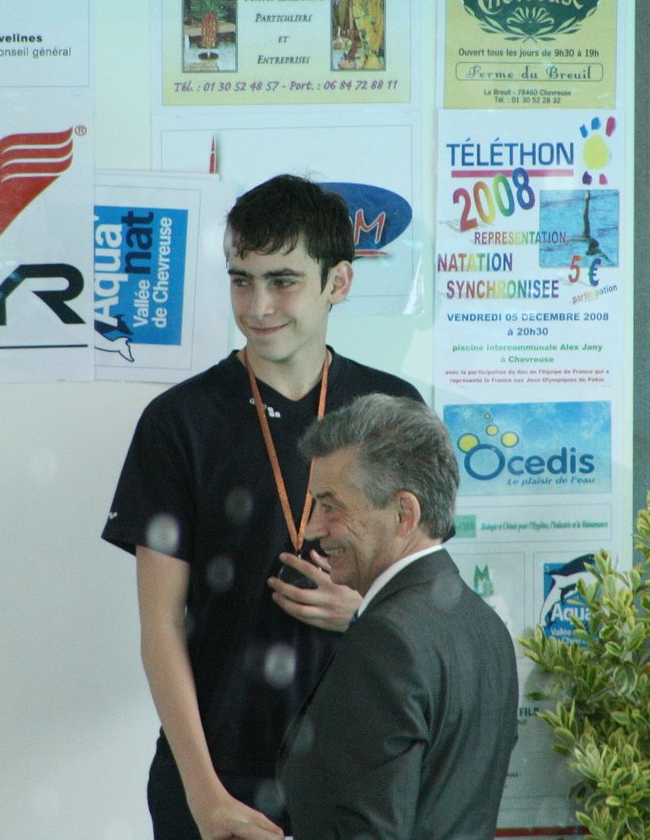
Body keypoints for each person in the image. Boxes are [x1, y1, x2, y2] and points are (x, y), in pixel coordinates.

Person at [103, 174, 422, 840]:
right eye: (241, 280)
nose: (258, 305)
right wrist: (203, 793)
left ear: (338, 282)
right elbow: (159, 625)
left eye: (283, 280)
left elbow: (425, 601)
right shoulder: (179, 421)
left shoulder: (392, 412)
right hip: (218, 775)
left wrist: (363, 615)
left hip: (364, 773)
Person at [278, 393, 518, 840]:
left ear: (404, 514)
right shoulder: (486, 626)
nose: (312, 529)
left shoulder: (384, 641)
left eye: (330, 506)